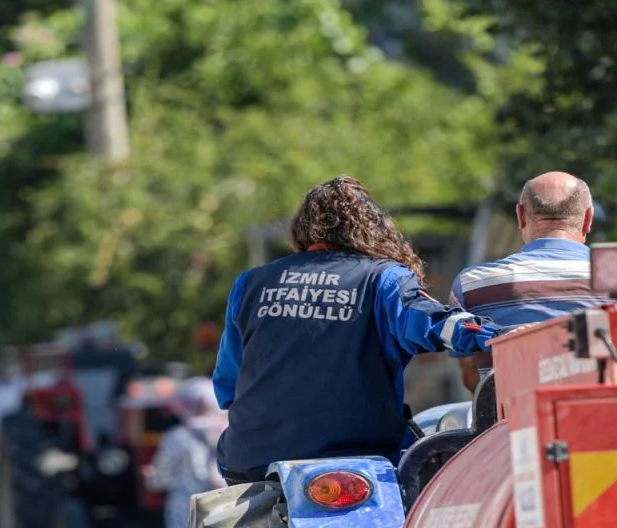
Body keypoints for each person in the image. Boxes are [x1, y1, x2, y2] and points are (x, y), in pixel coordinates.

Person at [211, 175, 501, 483]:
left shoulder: (251, 284)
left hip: (250, 461)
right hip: (360, 461)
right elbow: (435, 323)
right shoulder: (383, 279)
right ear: (374, 226)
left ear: (302, 227)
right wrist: (494, 335)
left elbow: (227, 386)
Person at [448, 171, 617, 392]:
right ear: (588, 218)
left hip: (510, 412)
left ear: (521, 216)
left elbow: (472, 377)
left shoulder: (472, 284)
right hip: (604, 410)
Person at [144, 377, 226, 528]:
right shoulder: (229, 431)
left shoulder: (177, 437)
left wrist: (150, 476)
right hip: (227, 503)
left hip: (188, 510)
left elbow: (159, 480)